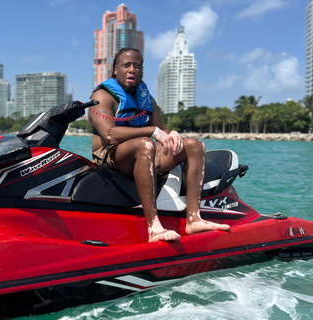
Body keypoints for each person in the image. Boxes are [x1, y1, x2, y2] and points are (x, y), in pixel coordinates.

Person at [88, 48, 230, 243]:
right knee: (145, 144)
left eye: (137, 66)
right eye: (126, 65)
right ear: (115, 70)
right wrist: (152, 131)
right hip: (111, 156)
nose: (132, 70)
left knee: (194, 145)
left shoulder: (146, 99)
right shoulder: (102, 96)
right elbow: (110, 135)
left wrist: (171, 134)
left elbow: (161, 131)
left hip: (142, 152)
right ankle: (154, 227)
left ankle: (194, 219)